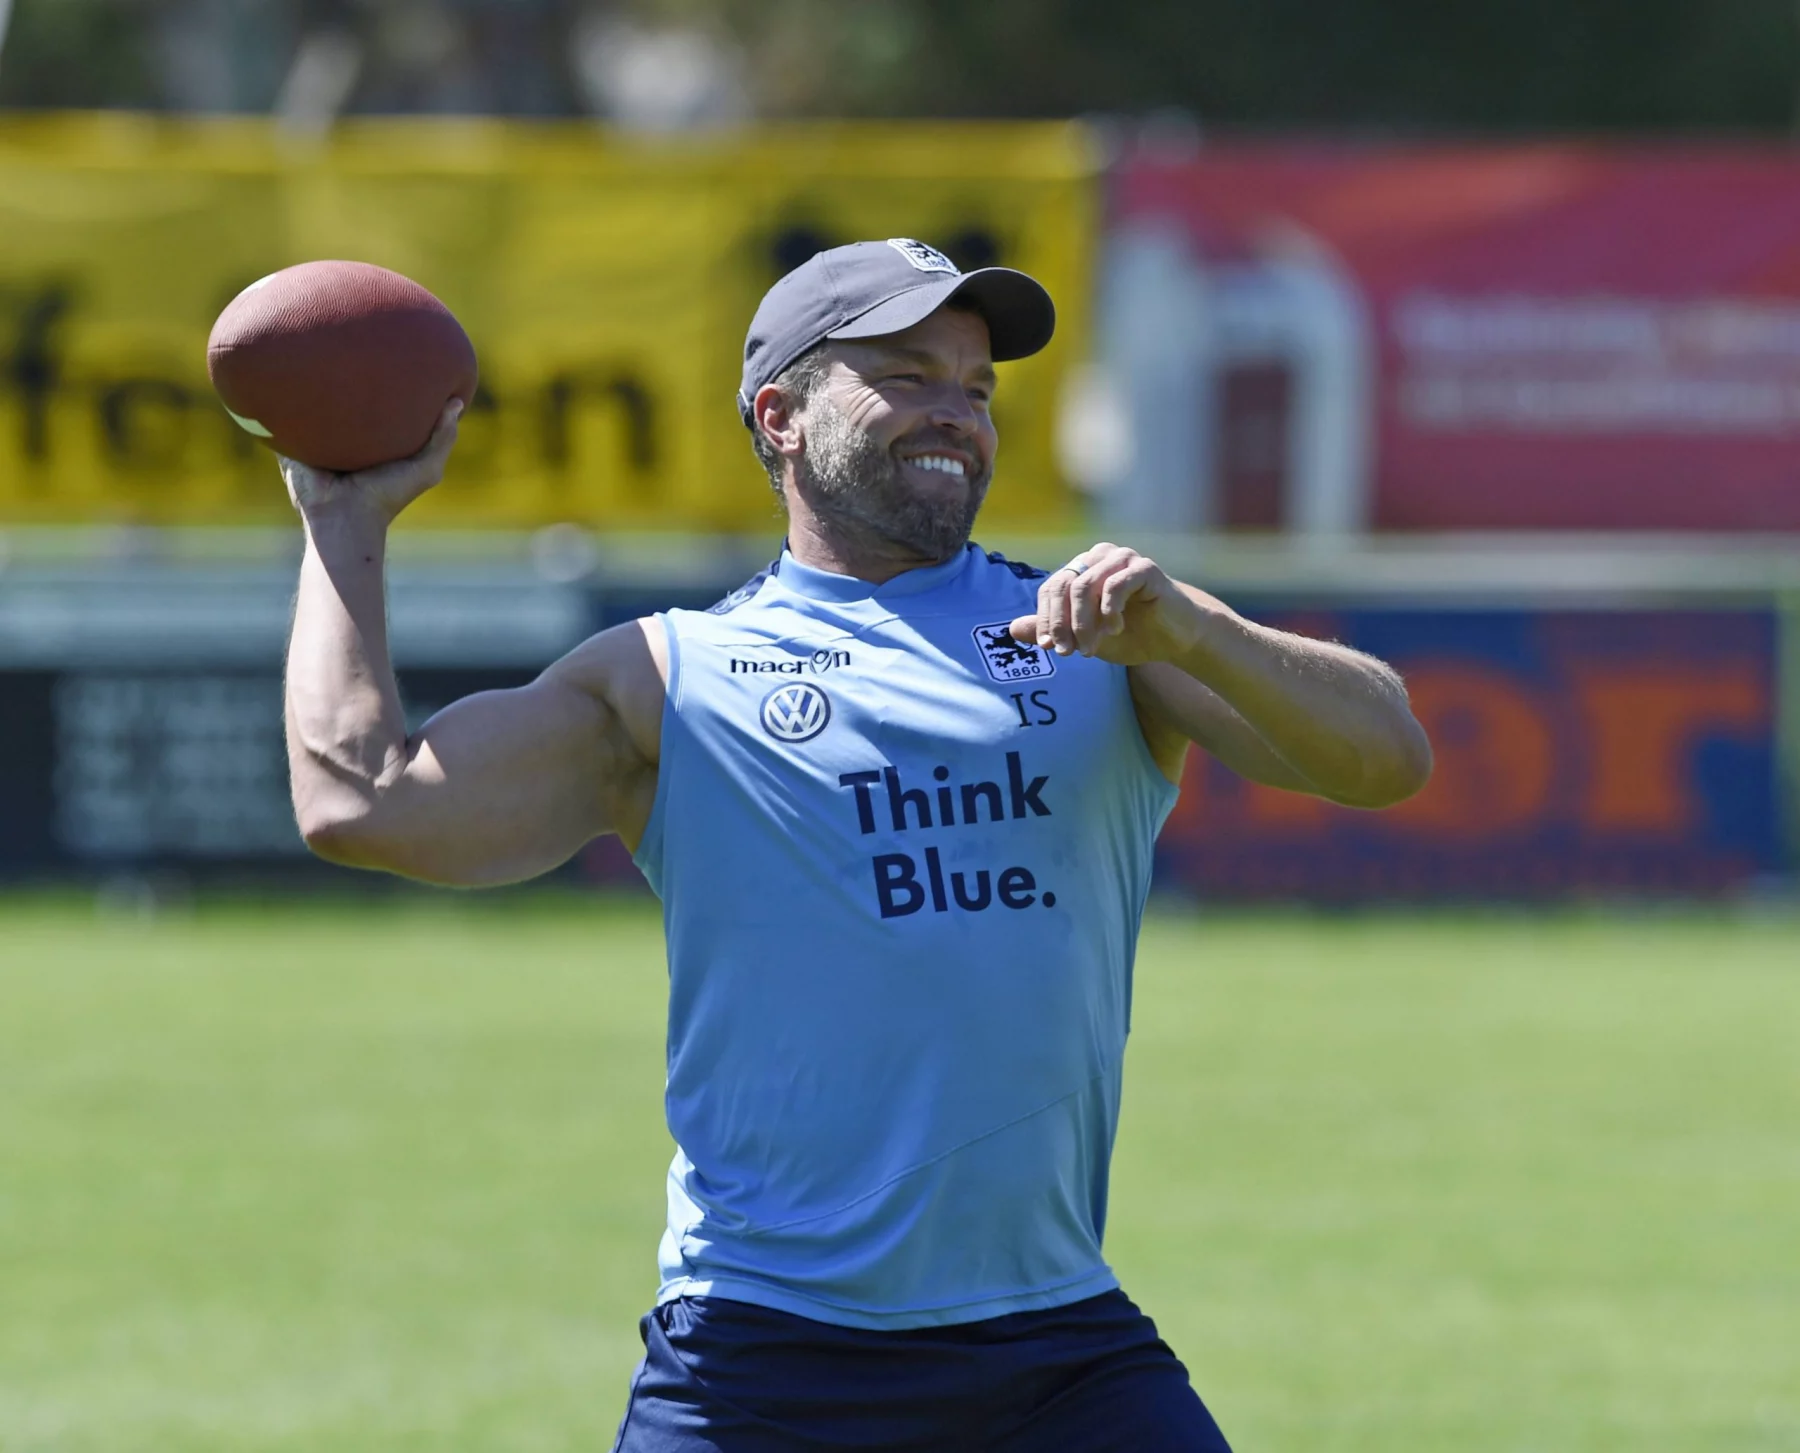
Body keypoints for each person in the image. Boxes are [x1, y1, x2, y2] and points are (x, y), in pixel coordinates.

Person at [281, 238, 1432, 1451]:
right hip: (761, 1362)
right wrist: (344, 525)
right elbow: (362, 801)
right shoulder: (675, 675)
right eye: (908, 375)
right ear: (780, 414)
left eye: (977, 389)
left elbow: (1386, 758)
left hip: (1054, 1354)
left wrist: (1199, 629)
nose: (958, 416)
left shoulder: (1101, 639)